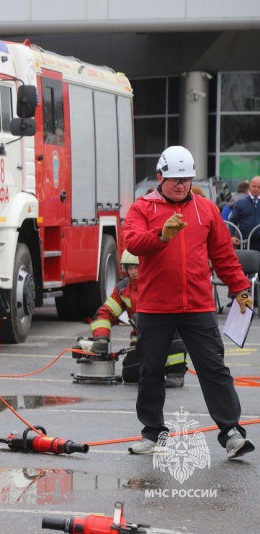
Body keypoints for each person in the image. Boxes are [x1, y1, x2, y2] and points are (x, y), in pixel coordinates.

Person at [124, 145, 254, 459]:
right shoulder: (142, 208)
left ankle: (231, 432)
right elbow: (131, 242)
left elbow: (223, 255)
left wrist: (240, 288)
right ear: (159, 177)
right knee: (150, 371)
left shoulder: (206, 209)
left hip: (198, 306)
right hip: (156, 307)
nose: (181, 185)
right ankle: (153, 433)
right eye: (174, 179)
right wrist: (161, 236)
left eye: (186, 179)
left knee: (215, 370)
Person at [90, 251, 188, 387]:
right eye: (129, 267)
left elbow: (174, 311)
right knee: (130, 374)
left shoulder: (160, 283)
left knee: (175, 331)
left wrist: (145, 318)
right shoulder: (123, 289)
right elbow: (105, 314)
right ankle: (154, 370)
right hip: (141, 339)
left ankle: (176, 374)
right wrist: (101, 338)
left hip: (166, 335)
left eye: (136, 267)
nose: (132, 272)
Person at [228, 176, 260, 251]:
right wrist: (231, 236)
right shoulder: (240, 203)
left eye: (259, 187)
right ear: (249, 187)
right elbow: (232, 221)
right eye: (254, 186)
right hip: (245, 243)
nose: (256, 189)